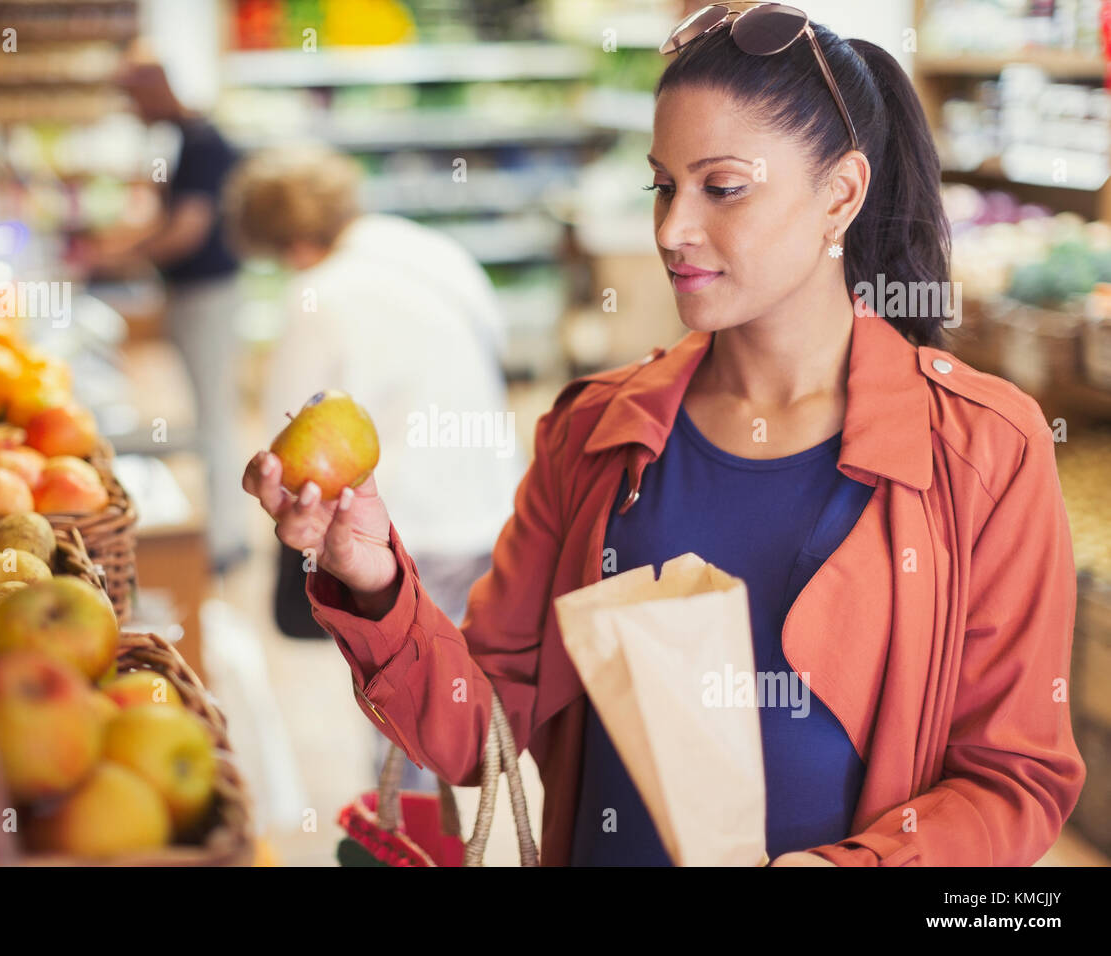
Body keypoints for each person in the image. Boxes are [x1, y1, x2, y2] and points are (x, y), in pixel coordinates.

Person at [241, 4, 1086, 866]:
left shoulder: (983, 450)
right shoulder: (596, 434)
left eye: (723, 188)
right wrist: (374, 579)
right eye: (663, 185)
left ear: (841, 194)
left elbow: (1012, 777)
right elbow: (475, 733)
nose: (673, 229)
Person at [224, 143, 526, 790]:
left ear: (290, 240)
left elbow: (289, 437)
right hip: (494, 501)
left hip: (407, 522)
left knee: (407, 707)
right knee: (470, 701)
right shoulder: (429, 250)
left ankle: (408, 845)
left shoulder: (317, 295)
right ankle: (449, 832)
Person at [84, 53, 251, 574]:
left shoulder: (203, 144)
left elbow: (186, 232)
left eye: (134, 99)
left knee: (214, 417)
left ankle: (227, 543)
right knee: (204, 415)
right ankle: (219, 536)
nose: (132, 111)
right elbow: (165, 220)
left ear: (156, 90)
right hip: (192, 295)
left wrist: (122, 256)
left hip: (210, 295)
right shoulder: (183, 141)